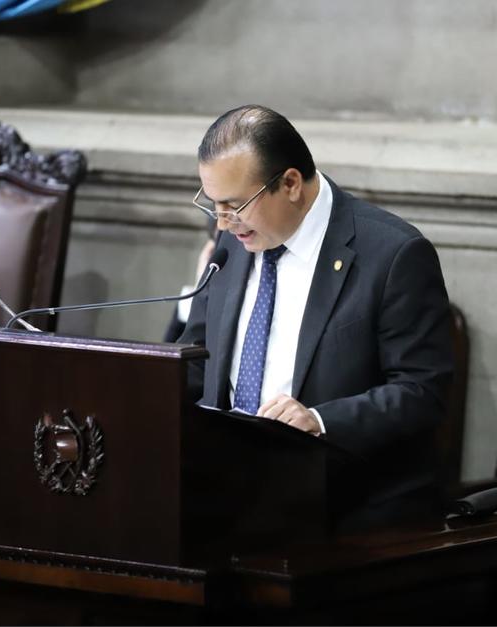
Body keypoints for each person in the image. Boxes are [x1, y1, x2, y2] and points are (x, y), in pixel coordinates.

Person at [178, 105, 453, 523]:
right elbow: (198, 359)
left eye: (234, 205)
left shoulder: (393, 254)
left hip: (347, 505)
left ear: (290, 184)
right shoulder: (234, 241)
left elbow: (422, 391)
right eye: (213, 204)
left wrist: (320, 421)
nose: (223, 222)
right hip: (230, 493)